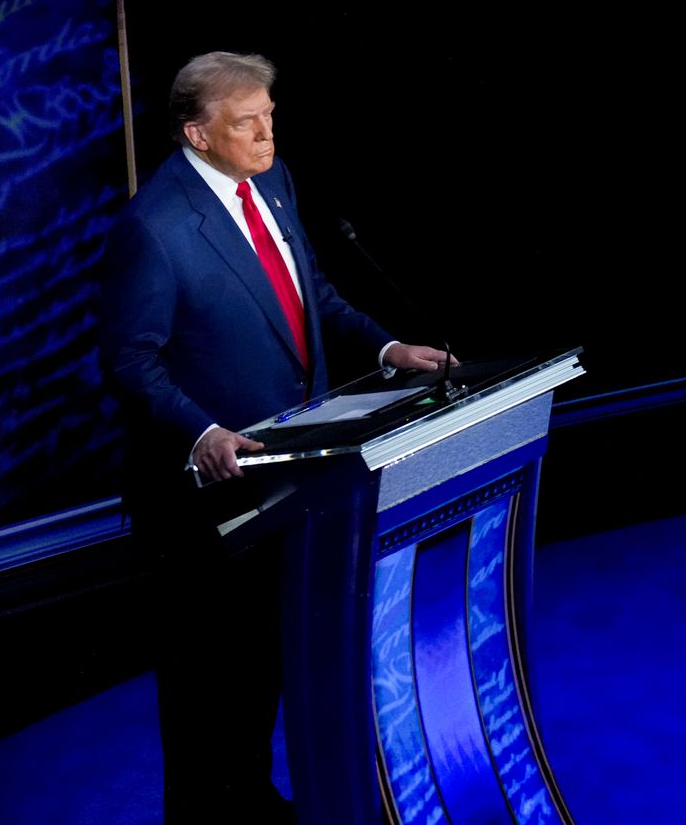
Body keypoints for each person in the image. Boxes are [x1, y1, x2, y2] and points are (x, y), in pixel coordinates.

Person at [99, 51, 453, 824]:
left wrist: (388, 350)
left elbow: (310, 295)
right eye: (246, 123)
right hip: (209, 500)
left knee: (268, 662)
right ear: (197, 132)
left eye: (269, 117)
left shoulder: (275, 180)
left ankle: (257, 805)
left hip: (300, 476)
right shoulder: (154, 229)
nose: (266, 135)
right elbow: (129, 359)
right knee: (213, 686)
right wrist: (200, 430)